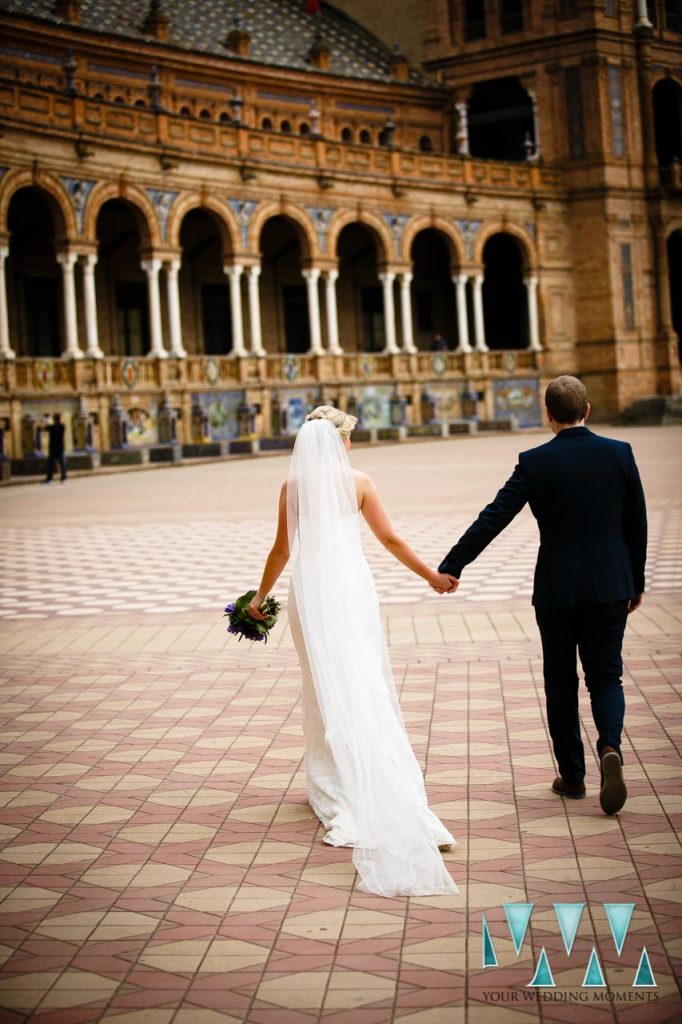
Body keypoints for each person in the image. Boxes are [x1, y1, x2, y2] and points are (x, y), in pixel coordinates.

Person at [248, 405, 459, 897]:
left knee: (321, 682)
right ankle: (376, 780)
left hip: (312, 589)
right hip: (352, 588)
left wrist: (259, 598)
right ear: (341, 442)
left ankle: (335, 786)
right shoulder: (360, 482)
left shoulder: (291, 489)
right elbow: (390, 538)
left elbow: (282, 550)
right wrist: (431, 576)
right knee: (362, 677)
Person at [437, 375, 647, 816]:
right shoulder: (619, 454)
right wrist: (636, 581)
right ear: (587, 410)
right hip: (611, 585)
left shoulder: (534, 462)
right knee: (606, 677)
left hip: (556, 590)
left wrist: (453, 564)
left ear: (548, 415)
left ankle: (572, 777)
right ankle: (610, 745)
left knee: (560, 681)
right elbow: (636, 525)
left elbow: (493, 516)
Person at [44, 413, 67, 483]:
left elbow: (46, 428)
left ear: (54, 419)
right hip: (60, 447)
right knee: (62, 463)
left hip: (53, 448)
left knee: (51, 464)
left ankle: (49, 479)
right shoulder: (62, 426)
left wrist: (47, 419)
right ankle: (63, 477)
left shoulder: (52, 427)